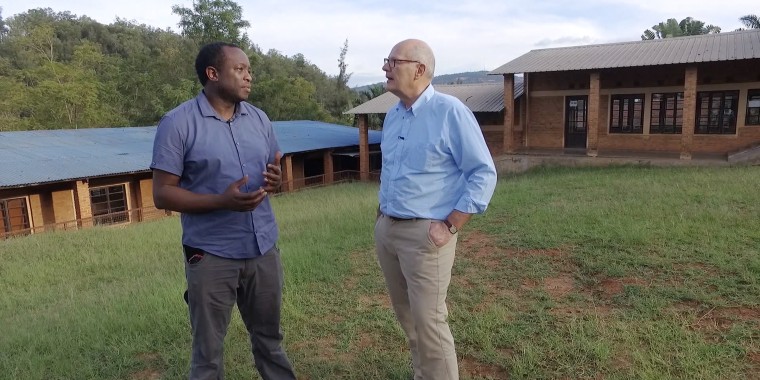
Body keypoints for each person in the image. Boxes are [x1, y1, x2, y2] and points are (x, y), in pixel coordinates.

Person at [150, 42, 296, 380]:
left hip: (263, 248)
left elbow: (275, 168)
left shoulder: (259, 118)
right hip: (212, 254)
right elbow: (162, 194)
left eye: (249, 70)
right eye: (240, 70)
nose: (249, 76)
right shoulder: (177, 123)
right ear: (212, 74)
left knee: (270, 340)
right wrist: (222, 201)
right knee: (208, 352)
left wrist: (276, 179)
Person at [374, 39, 498, 380]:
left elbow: (483, 173)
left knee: (429, 322)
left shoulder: (450, 112)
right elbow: (393, 170)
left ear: (419, 69)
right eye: (386, 60)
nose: (385, 67)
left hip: (426, 234)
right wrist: (381, 215)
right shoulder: (394, 115)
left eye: (392, 61)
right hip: (389, 230)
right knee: (408, 318)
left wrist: (451, 224)